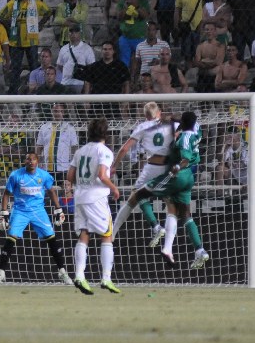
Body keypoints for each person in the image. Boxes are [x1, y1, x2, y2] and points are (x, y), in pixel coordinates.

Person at [118, 111, 208, 269]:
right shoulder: (197, 129)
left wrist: (178, 166)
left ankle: (152, 227)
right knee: (182, 213)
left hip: (178, 174)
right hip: (189, 177)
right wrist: (173, 119)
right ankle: (199, 250)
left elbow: (185, 158)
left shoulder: (185, 137)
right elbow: (185, 122)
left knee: (139, 193)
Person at [0, 151, 71, 286]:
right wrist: (3, 213)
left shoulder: (44, 175)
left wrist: (58, 209)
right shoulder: (16, 175)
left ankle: (62, 272)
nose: (31, 161)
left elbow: (51, 191)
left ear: (37, 161)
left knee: (52, 238)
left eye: (33, 159)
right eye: (28, 159)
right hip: (20, 211)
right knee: (10, 239)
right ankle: (1, 273)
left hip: (38, 211)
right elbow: (6, 194)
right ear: (25, 161)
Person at [67, 118, 120, 295]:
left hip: (80, 197)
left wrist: (81, 184)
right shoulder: (104, 151)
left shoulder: (80, 151)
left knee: (84, 234)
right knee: (106, 235)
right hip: (96, 198)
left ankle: (80, 276)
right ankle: (106, 278)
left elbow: (70, 176)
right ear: (106, 134)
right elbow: (102, 175)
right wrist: (113, 187)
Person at [111, 101, 174, 248]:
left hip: (153, 166)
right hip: (168, 168)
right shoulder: (169, 125)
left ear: (144, 114)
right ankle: (170, 245)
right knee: (170, 204)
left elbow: (124, 149)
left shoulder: (143, 127)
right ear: (159, 112)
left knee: (136, 196)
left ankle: (155, 226)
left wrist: (115, 166)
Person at [0, 0, 52, 94]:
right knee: (15, 69)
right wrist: (10, 26)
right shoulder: (13, 3)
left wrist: (40, 24)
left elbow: (48, 12)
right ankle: (13, 92)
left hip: (31, 41)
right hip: (16, 42)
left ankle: (37, 91)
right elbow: (1, 15)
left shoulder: (36, 3)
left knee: (34, 67)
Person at [83, 41, 131, 117]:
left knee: (114, 126)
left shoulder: (121, 66)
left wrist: (126, 99)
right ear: (101, 51)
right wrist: (87, 100)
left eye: (109, 49)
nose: (107, 51)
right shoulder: (94, 66)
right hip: (97, 101)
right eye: (105, 49)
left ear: (113, 51)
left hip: (115, 102)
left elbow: (126, 83)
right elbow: (88, 83)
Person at [35, 102, 78, 184]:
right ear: (52, 111)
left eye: (60, 111)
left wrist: (73, 165)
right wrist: (38, 162)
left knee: (64, 191)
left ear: (64, 112)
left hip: (63, 168)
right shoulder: (44, 127)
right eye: (55, 111)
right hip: (46, 167)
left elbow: (74, 148)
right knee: (47, 191)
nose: (58, 113)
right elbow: (39, 146)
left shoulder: (70, 128)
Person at [174, 0, 208, 66]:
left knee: (199, 55)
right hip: (186, 28)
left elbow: (208, 12)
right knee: (187, 56)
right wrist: (176, 26)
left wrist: (202, 25)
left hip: (200, 28)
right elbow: (177, 10)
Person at [116, 0, 150, 68]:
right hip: (125, 38)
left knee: (141, 63)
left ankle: (137, 81)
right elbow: (119, 17)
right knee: (124, 63)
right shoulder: (122, 3)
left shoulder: (143, 2)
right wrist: (125, 8)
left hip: (140, 38)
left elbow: (145, 16)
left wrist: (137, 6)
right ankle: (125, 81)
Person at [56, 25, 94, 94]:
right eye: (71, 32)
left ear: (79, 33)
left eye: (76, 32)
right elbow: (59, 66)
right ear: (68, 34)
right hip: (65, 82)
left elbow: (91, 68)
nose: (73, 34)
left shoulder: (87, 48)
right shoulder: (63, 49)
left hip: (80, 83)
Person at [0, 110, 30, 180]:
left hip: (19, 170)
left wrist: (3, 151)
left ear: (20, 123)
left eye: (15, 121)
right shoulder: (2, 135)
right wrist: (10, 149)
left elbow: (20, 154)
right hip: (2, 169)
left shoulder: (24, 136)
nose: (13, 123)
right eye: (10, 122)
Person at [132, 21, 169, 85]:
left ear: (156, 31)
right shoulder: (140, 46)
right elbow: (138, 65)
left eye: (153, 30)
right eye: (148, 30)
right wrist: (135, 81)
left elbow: (169, 62)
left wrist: (159, 62)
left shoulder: (164, 44)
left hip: (160, 76)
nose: (151, 32)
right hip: (144, 78)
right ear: (145, 31)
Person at [194, 22, 224, 93]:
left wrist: (204, 61)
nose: (209, 32)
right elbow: (197, 62)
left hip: (215, 77)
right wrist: (211, 63)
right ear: (204, 31)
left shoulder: (220, 46)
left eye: (211, 29)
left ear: (215, 31)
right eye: (207, 29)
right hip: (202, 78)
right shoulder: (200, 46)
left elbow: (218, 62)